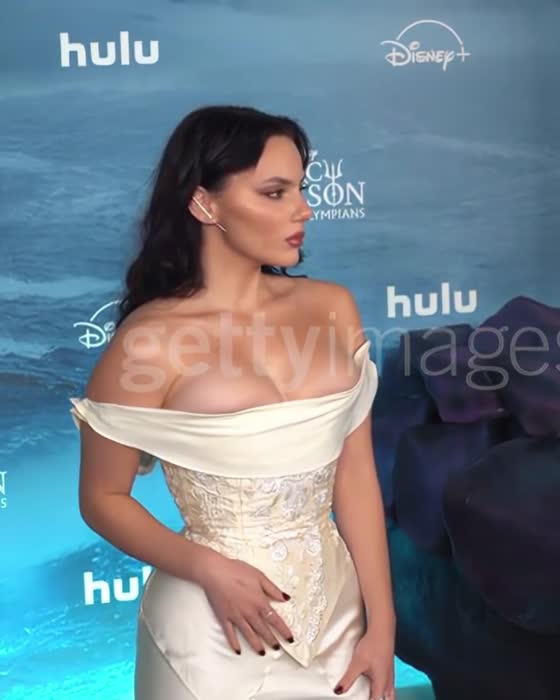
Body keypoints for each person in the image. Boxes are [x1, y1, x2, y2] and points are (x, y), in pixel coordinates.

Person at [69, 105, 396, 700]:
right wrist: (208, 568)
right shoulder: (149, 341)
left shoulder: (332, 307)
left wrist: (382, 624)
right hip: (211, 630)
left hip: (339, 622)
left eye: (301, 189)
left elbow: (355, 475)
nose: (304, 209)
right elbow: (102, 498)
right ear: (205, 204)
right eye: (275, 192)